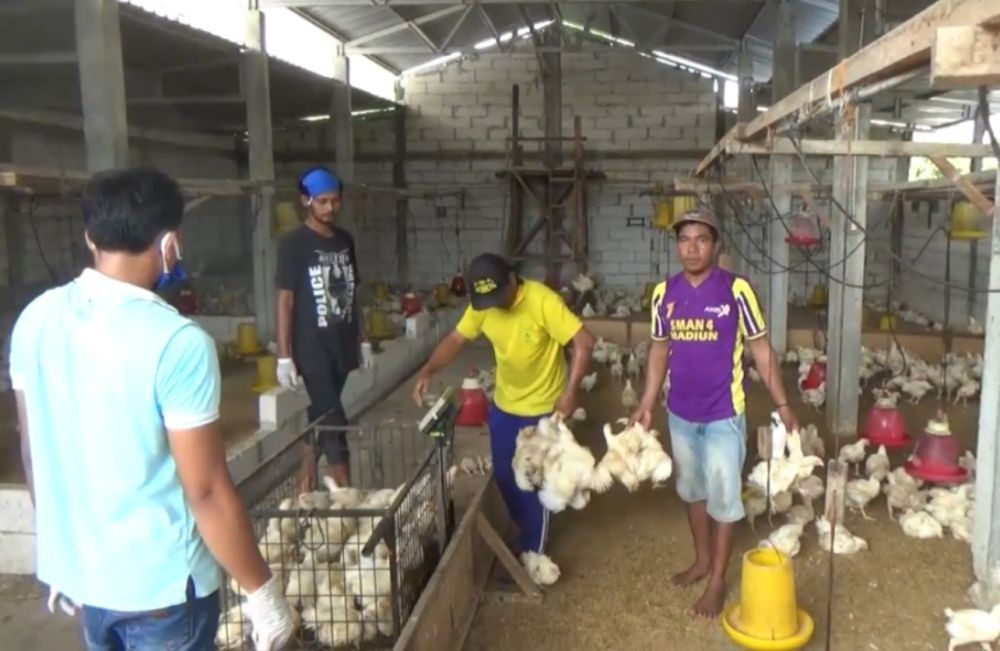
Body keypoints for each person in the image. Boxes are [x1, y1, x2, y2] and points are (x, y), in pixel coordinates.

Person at [11, 167, 294, 650]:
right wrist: (261, 590)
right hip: (162, 590)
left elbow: (32, 446)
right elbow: (204, 490)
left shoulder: (36, 319)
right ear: (170, 244)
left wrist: (62, 556)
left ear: (89, 236)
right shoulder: (177, 342)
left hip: (88, 583)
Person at [630, 208, 798, 618]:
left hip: (724, 413)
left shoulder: (737, 290)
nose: (691, 248)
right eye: (684, 240)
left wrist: (783, 402)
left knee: (724, 496)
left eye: (701, 240)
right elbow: (659, 349)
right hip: (681, 414)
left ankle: (719, 578)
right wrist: (647, 402)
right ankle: (702, 560)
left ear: (716, 246)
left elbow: (760, 348)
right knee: (692, 489)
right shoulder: (664, 293)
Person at [412, 253, 595, 577]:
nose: (495, 305)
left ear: (513, 279)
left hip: (542, 410)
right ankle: (527, 532)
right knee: (505, 476)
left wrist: (571, 392)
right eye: (487, 301)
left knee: (535, 483)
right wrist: (428, 368)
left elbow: (583, 341)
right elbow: (457, 339)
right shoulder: (485, 305)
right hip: (505, 404)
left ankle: (535, 553)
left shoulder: (542, 301)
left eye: (499, 296)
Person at [275, 166, 367, 492]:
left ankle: (306, 475)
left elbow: (355, 291)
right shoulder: (293, 243)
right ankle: (348, 492)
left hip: (341, 341)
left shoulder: (345, 240)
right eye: (323, 202)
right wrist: (284, 356)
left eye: (335, 201)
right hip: (310, 346)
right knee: (334, 417)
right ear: (306, 200)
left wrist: (363, 338)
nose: (330, 209)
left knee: (320, 409)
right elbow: (285, 300)